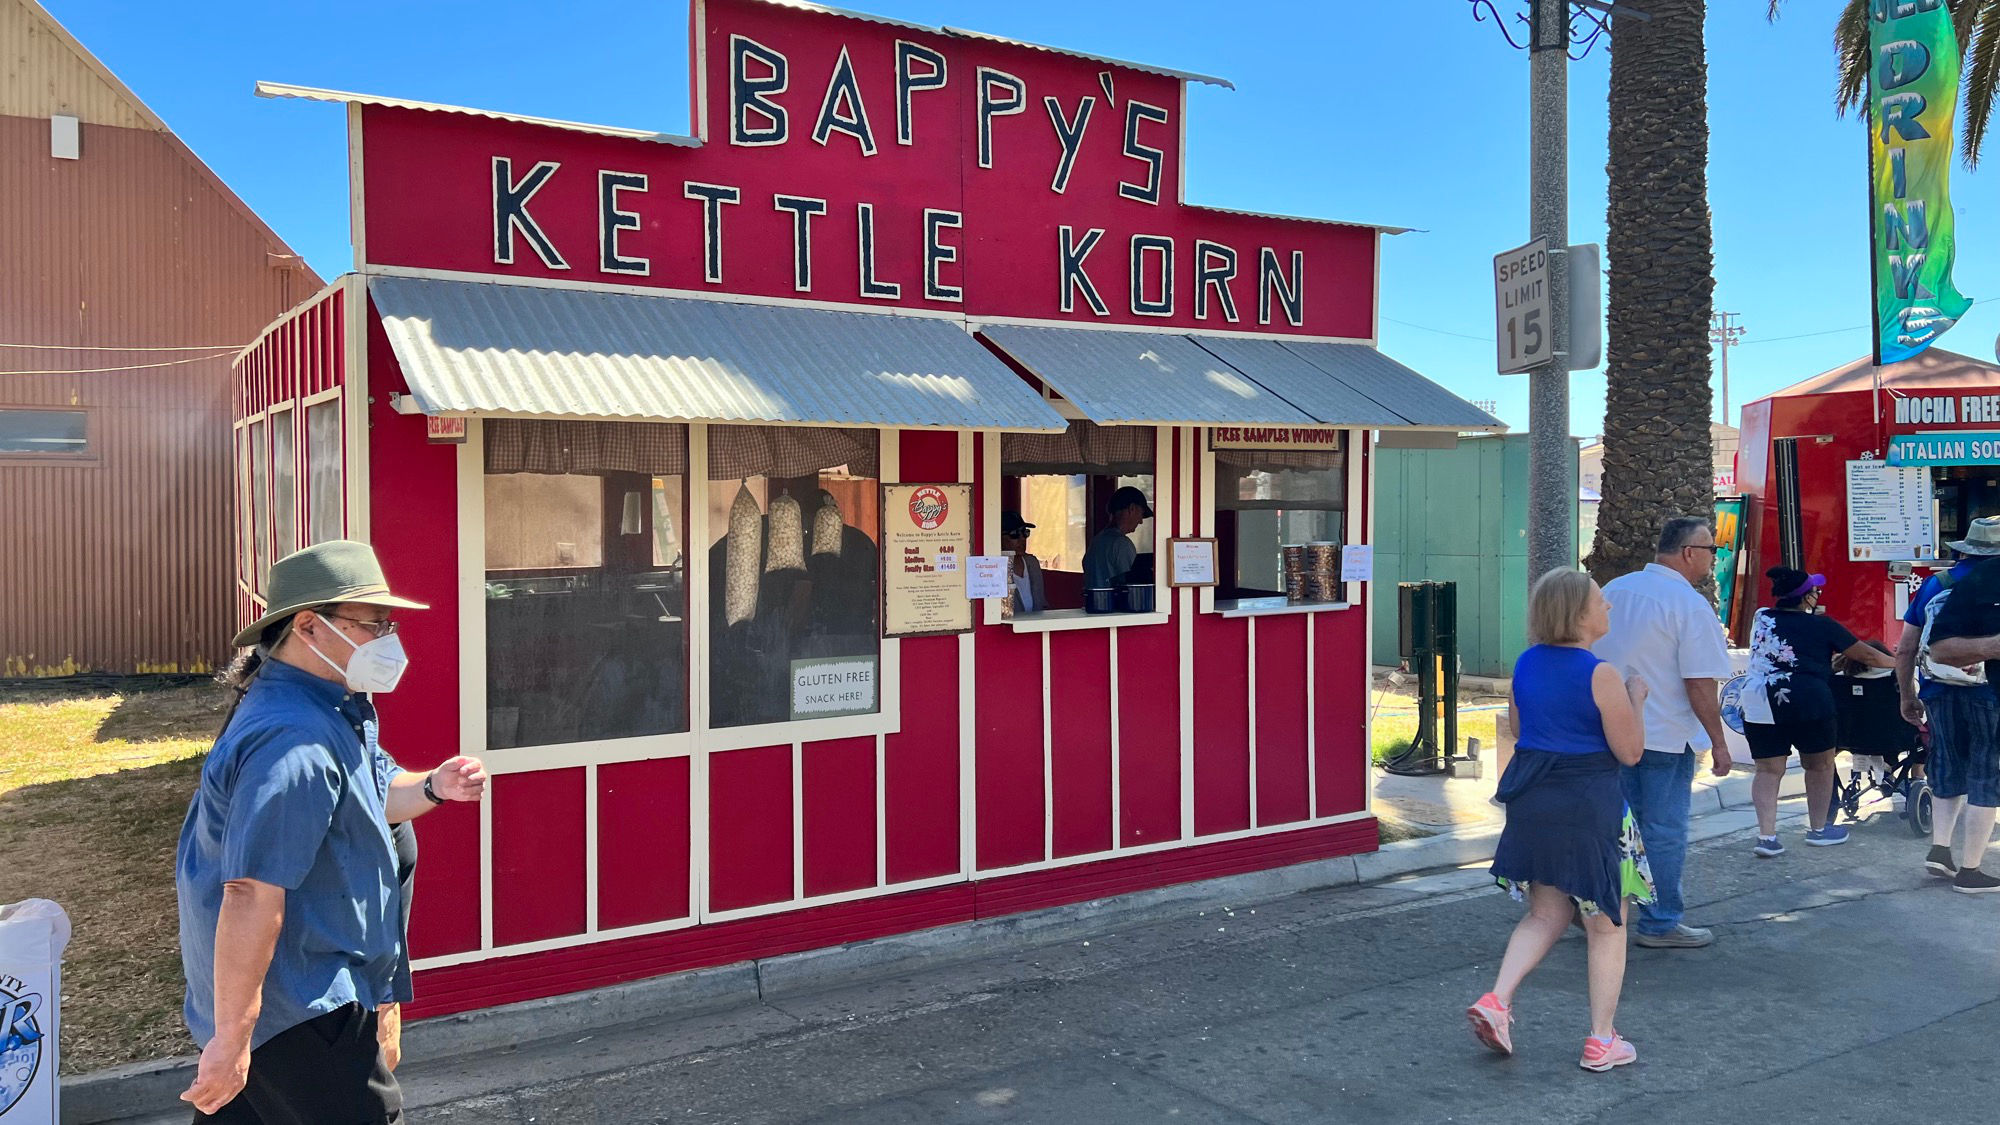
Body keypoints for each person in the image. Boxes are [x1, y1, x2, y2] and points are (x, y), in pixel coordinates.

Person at [177, 540, 489, 1120]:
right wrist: (231, 1038)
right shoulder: (293, 740)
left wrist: (432, 787)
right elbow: (249, 891)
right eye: (373, 624)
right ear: (308, 626)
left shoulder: (329, 707)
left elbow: (372, 797)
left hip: (284, 1010)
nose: (388, 640)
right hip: (302, 1012)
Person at [1469, 568, 1652, 1071]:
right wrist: (1636, 700)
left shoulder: (1526, 665)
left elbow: (1524, 730)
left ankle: (1498, 1000)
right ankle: (1601, 1040)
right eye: (1600, 600)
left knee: (1545, 913)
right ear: (1579, 614)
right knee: (1607, 924)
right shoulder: (1601, 674)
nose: (1608, 607)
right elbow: (1630, 752)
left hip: (1536, 805)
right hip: (1591, 808)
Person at [1592, 516, 1735, 949]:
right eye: (1711, 550)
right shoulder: (1689, 605)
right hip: (1664, 737)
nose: (1714, 558)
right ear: (1690, 552)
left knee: (1610, 828)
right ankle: (1660, 922)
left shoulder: (1614, 590)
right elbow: (1699, 682)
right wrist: (1719, 741)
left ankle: (1600, 915)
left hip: (1610, 732)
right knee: (1662, 830)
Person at [1739, 568, 1895, 855]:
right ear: (1806, 598)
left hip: (1760, 699)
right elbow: (1868, 655)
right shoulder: (1824, 626)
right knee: (1819, 765)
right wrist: (1902, 663)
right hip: (1809, 700)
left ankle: (1767, 837)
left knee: (1768, 770)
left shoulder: (1761, 617)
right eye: (1815, 591)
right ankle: (1819, 830)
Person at [1914, 515, 2000, 894]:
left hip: (1937, 686)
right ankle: (1971, 869)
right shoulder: (1990, 582)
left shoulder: (1937, 582)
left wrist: (1905, 693)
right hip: (1985, 689)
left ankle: (1940, 849)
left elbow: (1905, 646)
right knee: (1987, 770)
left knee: (1947, 762)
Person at [1082, 486, 1152, 590]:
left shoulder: (1096, 541)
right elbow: (1133, 585)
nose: (1141, 521)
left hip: (1093, 604)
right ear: (1131, 508)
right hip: (1116, 605)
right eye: (1141, 513)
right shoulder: (1121, 544)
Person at [1000, 510, 1047, 613]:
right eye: (1014, 534)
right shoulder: (994, 568)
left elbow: (1041, 604)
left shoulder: (1032, 563)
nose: (1022, 539)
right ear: (999, 538)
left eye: (1025, 532)